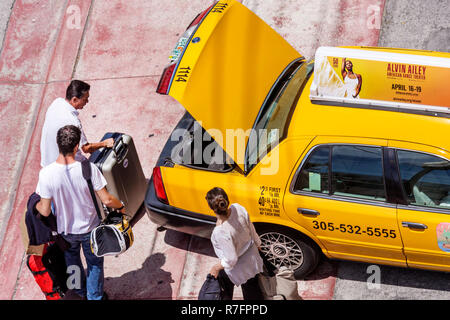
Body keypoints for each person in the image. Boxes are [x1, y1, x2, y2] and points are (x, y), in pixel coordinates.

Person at [36, 125, 125, 300]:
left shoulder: (46, 174)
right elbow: (107, 199)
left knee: (72, 262)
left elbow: (45, 210)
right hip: (90, 229)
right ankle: (95, 296)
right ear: (77, 146)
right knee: (94, 263)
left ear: (58, 145)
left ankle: (80, 292)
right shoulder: (88, 168)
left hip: (66, 232)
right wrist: (121, 206)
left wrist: (36, 206)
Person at [206, 187, 264, 300]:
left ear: (212, 208)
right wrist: (258, 244)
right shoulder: (238, 208)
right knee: (253, 289)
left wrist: (216, 267)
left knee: (223, 287)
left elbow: (231, 259)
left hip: (239, 267)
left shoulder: (220, 231)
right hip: (252, 257)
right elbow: (251, 229)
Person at [40, 80, 114, 168]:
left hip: (47, 161)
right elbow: (86, 148)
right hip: (65, 167)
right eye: (85, 99)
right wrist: (105, 143)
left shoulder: (56, 102)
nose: (87, 101)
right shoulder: (72, 121)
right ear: (74, 99)